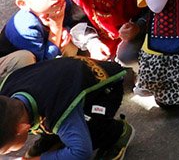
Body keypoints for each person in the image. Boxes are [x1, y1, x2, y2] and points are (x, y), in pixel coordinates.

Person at [0, 56, 132, 160]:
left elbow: (81, 153)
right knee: (47, 120)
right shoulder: (6, 96)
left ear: (21, 129)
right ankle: (53, 138)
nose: (8, 152)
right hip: (68, 76)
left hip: (104, 88)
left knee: (87, 131)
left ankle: (117, 132)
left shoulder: (57, 109)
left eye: (7, 150)